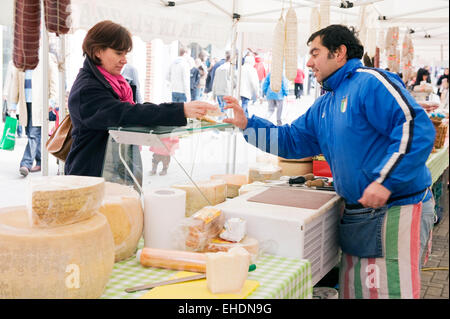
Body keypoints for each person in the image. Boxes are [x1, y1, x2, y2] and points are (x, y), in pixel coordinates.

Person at [223, 24, 435, 299]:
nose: (309, 62)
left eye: (315, 52)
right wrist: (248, 124)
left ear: (339, 53)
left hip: (396, 210)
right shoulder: (325, 104)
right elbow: (290, 140)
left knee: (390, 292)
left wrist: (386, 181)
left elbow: (415, 127)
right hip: (359, 217)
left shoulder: (369, 82)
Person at [65, 20, 216, 178]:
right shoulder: (87, 88)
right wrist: (180, 110)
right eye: (118, 53)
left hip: (117, 166)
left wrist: (178, 111)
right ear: (97, 51)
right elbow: (125, 113)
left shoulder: (113, 81)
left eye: (125, 54)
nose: (124, 60)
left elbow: (132, 109)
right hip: (90, 174)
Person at [10, 48, 59, 177]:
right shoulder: (21, 59)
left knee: (34, 133)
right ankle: (41, 161)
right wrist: (13, 104)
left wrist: (52, 100)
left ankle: (25, 164)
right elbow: (15, 83)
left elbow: (54, 80)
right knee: (30, 132)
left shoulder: (46, 58)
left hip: (41, 103)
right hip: (25, 103)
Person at [3, 60, 22, 137]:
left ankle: (19, 131)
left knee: (20, 113)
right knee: (14, 113)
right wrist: (5, 93)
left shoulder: (27, 62)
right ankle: (14, 131)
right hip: (13, 91)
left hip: (22, 93)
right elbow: (8, 79)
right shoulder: (11, 63)